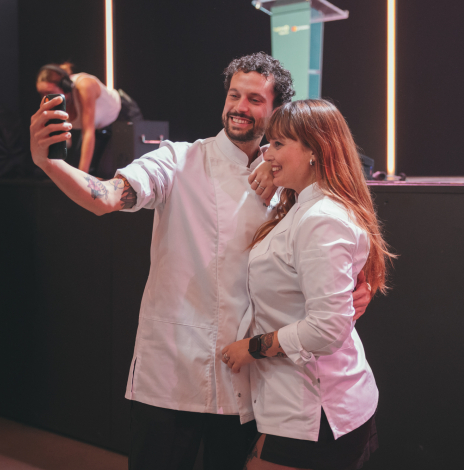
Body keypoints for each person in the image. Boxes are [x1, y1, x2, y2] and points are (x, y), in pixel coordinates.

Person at [29, 53, 371, 470]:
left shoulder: (289, 173)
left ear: (277, 110)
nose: (240, 107)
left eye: (255, 100)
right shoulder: (179, 159)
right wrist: (51, 162)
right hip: (172, 377)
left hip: (248, 383)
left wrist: (361, 285)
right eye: (234, 95)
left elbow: (343, 223)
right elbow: (106, 197)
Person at [222, 99, 394, 470]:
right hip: (302, 403)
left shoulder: (321, 219)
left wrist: (251, 348)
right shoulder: (306, 207)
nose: (267, 153)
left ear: (315, 150)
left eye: (278, 143)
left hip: (317, 410)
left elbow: (327, 327)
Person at [36, 62, 143, 176]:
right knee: (77, 167)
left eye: (49, 93)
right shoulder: (57, 101)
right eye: (42, 94)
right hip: (97, 127)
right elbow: (66, 140)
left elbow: (88, 131)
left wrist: (82, 178)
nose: (46, 98)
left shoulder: (84, 86)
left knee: (111, 170)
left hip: (123, 116)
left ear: (65, 87)